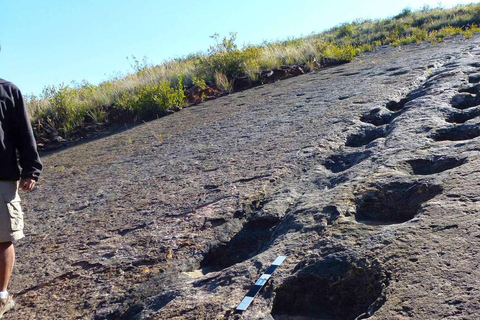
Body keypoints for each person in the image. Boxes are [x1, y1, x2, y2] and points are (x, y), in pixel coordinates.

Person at [0, 78, 42, 317]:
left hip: (2, 177)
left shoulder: (8, 91)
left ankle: (2, 297)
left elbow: (23, 132)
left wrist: (31, 170)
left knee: (3, 237)